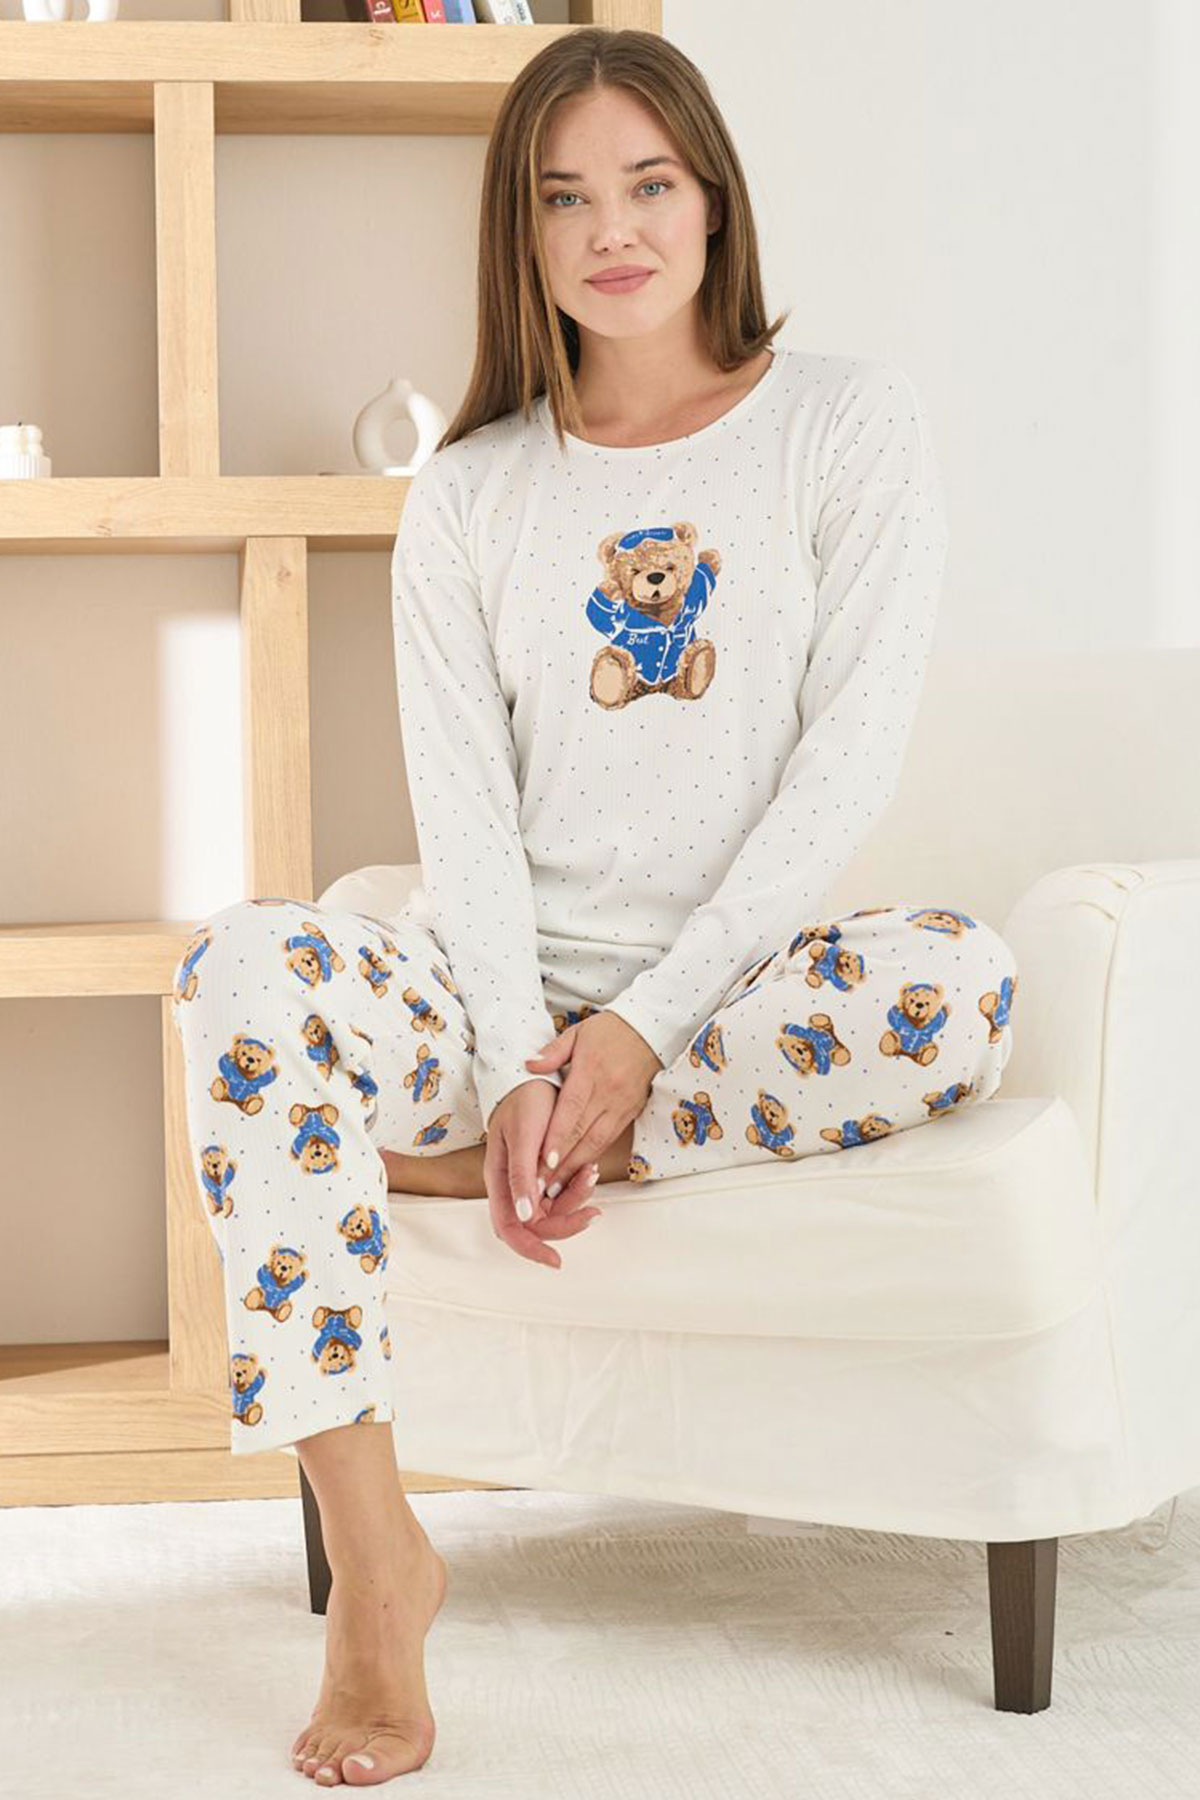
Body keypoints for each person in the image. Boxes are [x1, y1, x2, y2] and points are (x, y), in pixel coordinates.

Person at [171, 25, 1017, 1789]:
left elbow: (840, 772)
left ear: (714, 201)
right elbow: (465, 817)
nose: (611, 229)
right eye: (564, 198)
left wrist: (633, 1039)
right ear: (523, 231)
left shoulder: (848, 425)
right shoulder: (474, 490)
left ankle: (547, 1147)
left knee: (961, 986)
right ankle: (379, 1564)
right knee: (240, 967)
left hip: (731, 1003)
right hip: (492, 989)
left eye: (648, 183)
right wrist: (511, 1055)